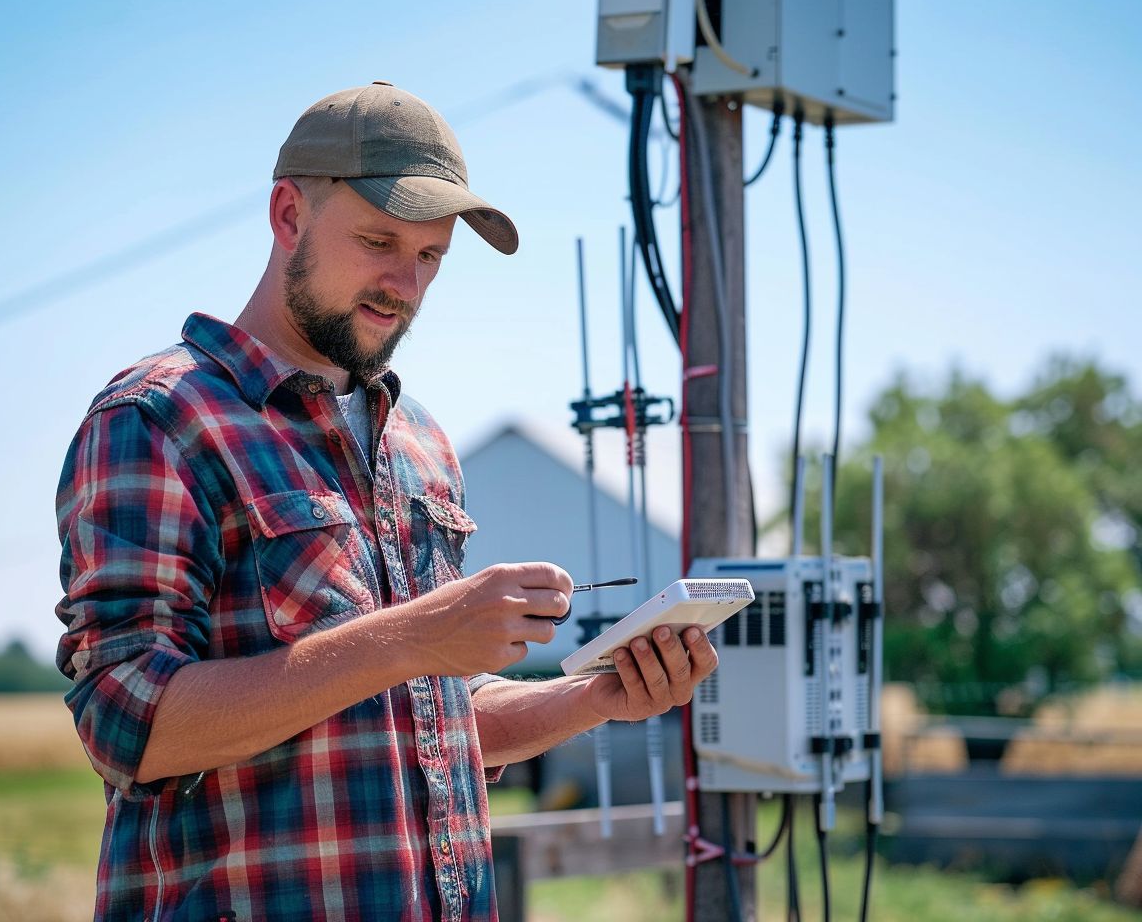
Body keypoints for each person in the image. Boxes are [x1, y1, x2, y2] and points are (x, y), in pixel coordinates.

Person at [55, 81, 717, 922]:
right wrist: (416, 637)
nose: (404, 283)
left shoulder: (420, 446)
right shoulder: (159, 419)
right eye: (379, 240)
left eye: (431, 256)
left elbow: (431, 729)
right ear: (287, 214)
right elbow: (126, 724)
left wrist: (593, 699)